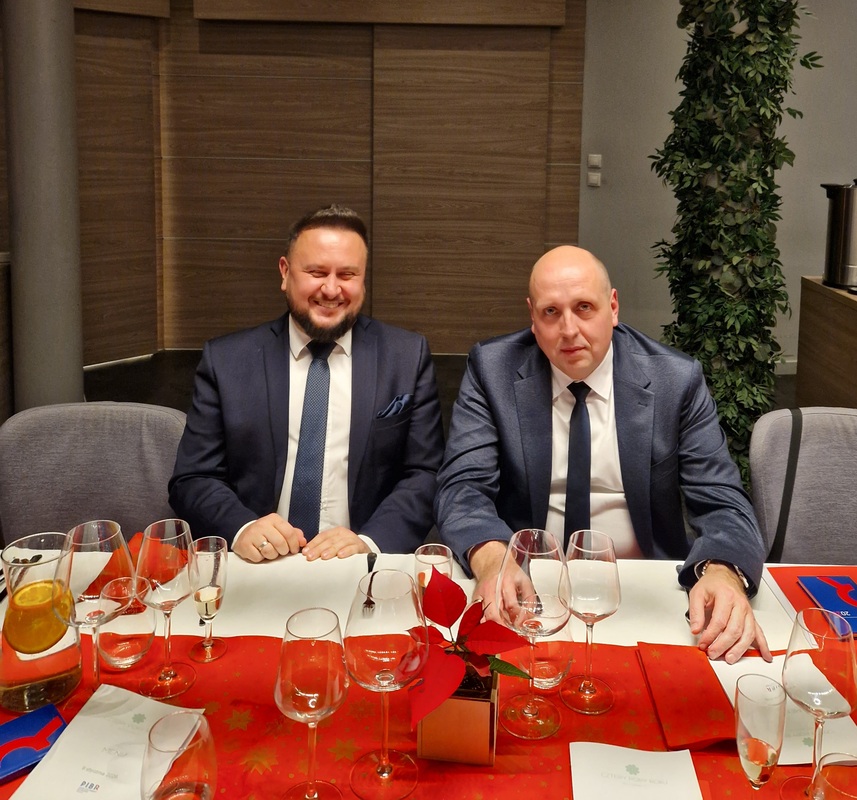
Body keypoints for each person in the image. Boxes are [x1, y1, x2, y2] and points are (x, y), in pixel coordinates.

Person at [435, 245, 771, 664]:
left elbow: (723, 501)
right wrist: (491, 559)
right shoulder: (493, 369)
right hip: (528, 590)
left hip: (645, 589)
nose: (569, 329)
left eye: (584, 308)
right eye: (551, 312)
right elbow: (463, 487)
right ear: (533, 318)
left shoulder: (674, 379)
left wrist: (721, 571)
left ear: (612, 308)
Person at [170, 204, 444, 563]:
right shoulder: (227, 361)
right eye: (316, 272)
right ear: (285, 273)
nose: (331, 289)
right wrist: (242, 528)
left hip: (359, 565)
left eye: (347, 274)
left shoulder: (406, 356)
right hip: (259, 564)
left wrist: (370, 542)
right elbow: (193, 478)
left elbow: (426, 474)